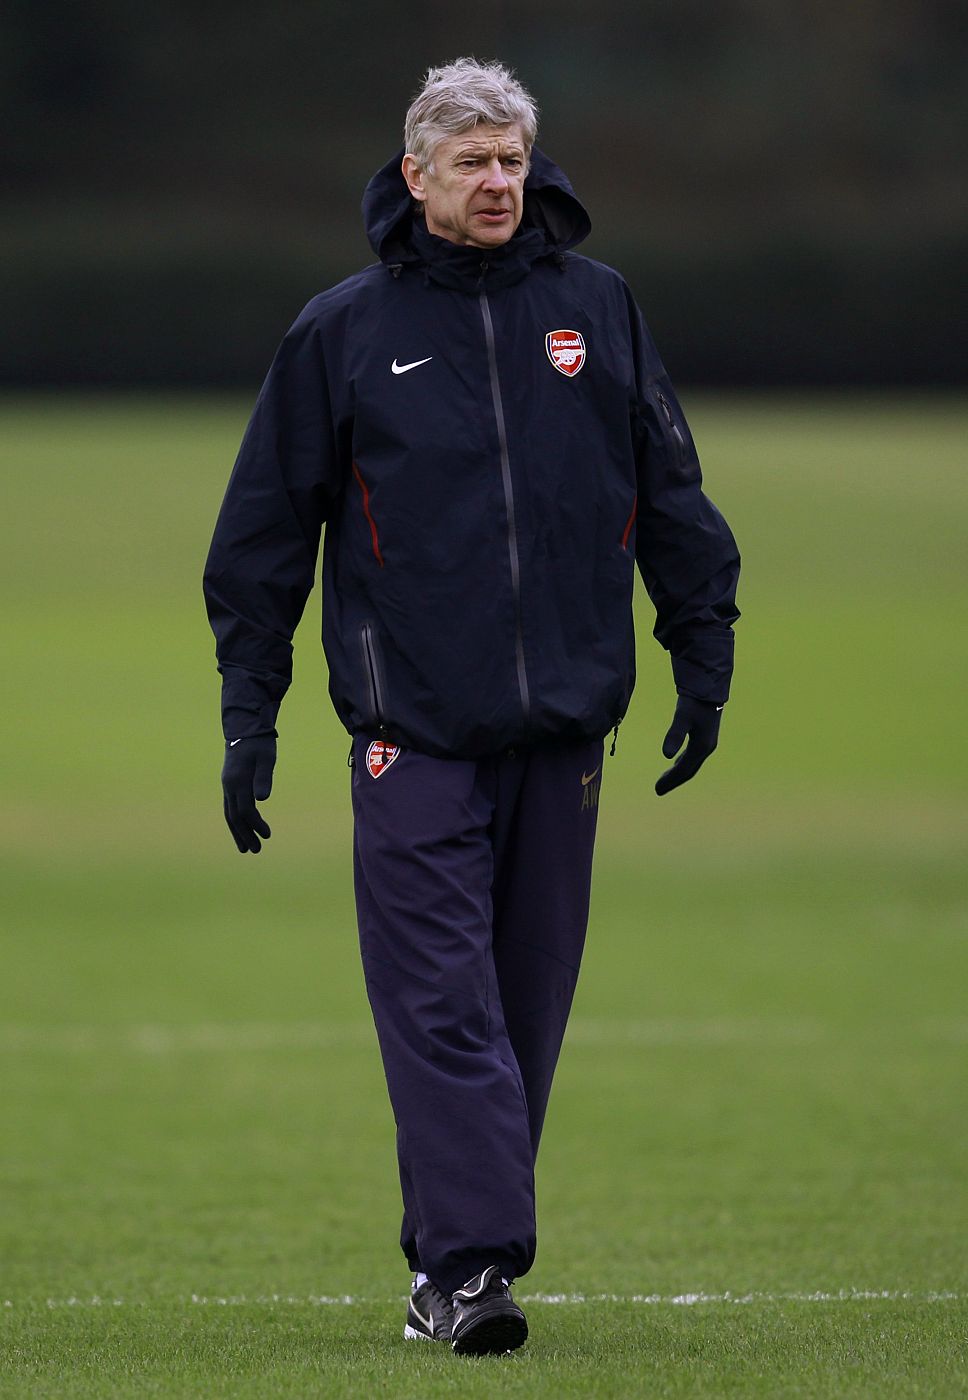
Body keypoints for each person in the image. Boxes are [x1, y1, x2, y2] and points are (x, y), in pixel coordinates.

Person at [203, 57, 740, 1356]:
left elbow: (671, 492)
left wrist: (703, 650)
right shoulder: (341, 333)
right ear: (417, 176)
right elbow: (263, 539)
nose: (497, 182)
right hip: (413, 739)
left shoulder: (598, 310)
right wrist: (249, 713)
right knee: (446, 1011)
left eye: (512, 160)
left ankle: (453, 1262)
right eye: (472, 163)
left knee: (521, 1014)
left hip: (564, 738)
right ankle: (470, 1271)